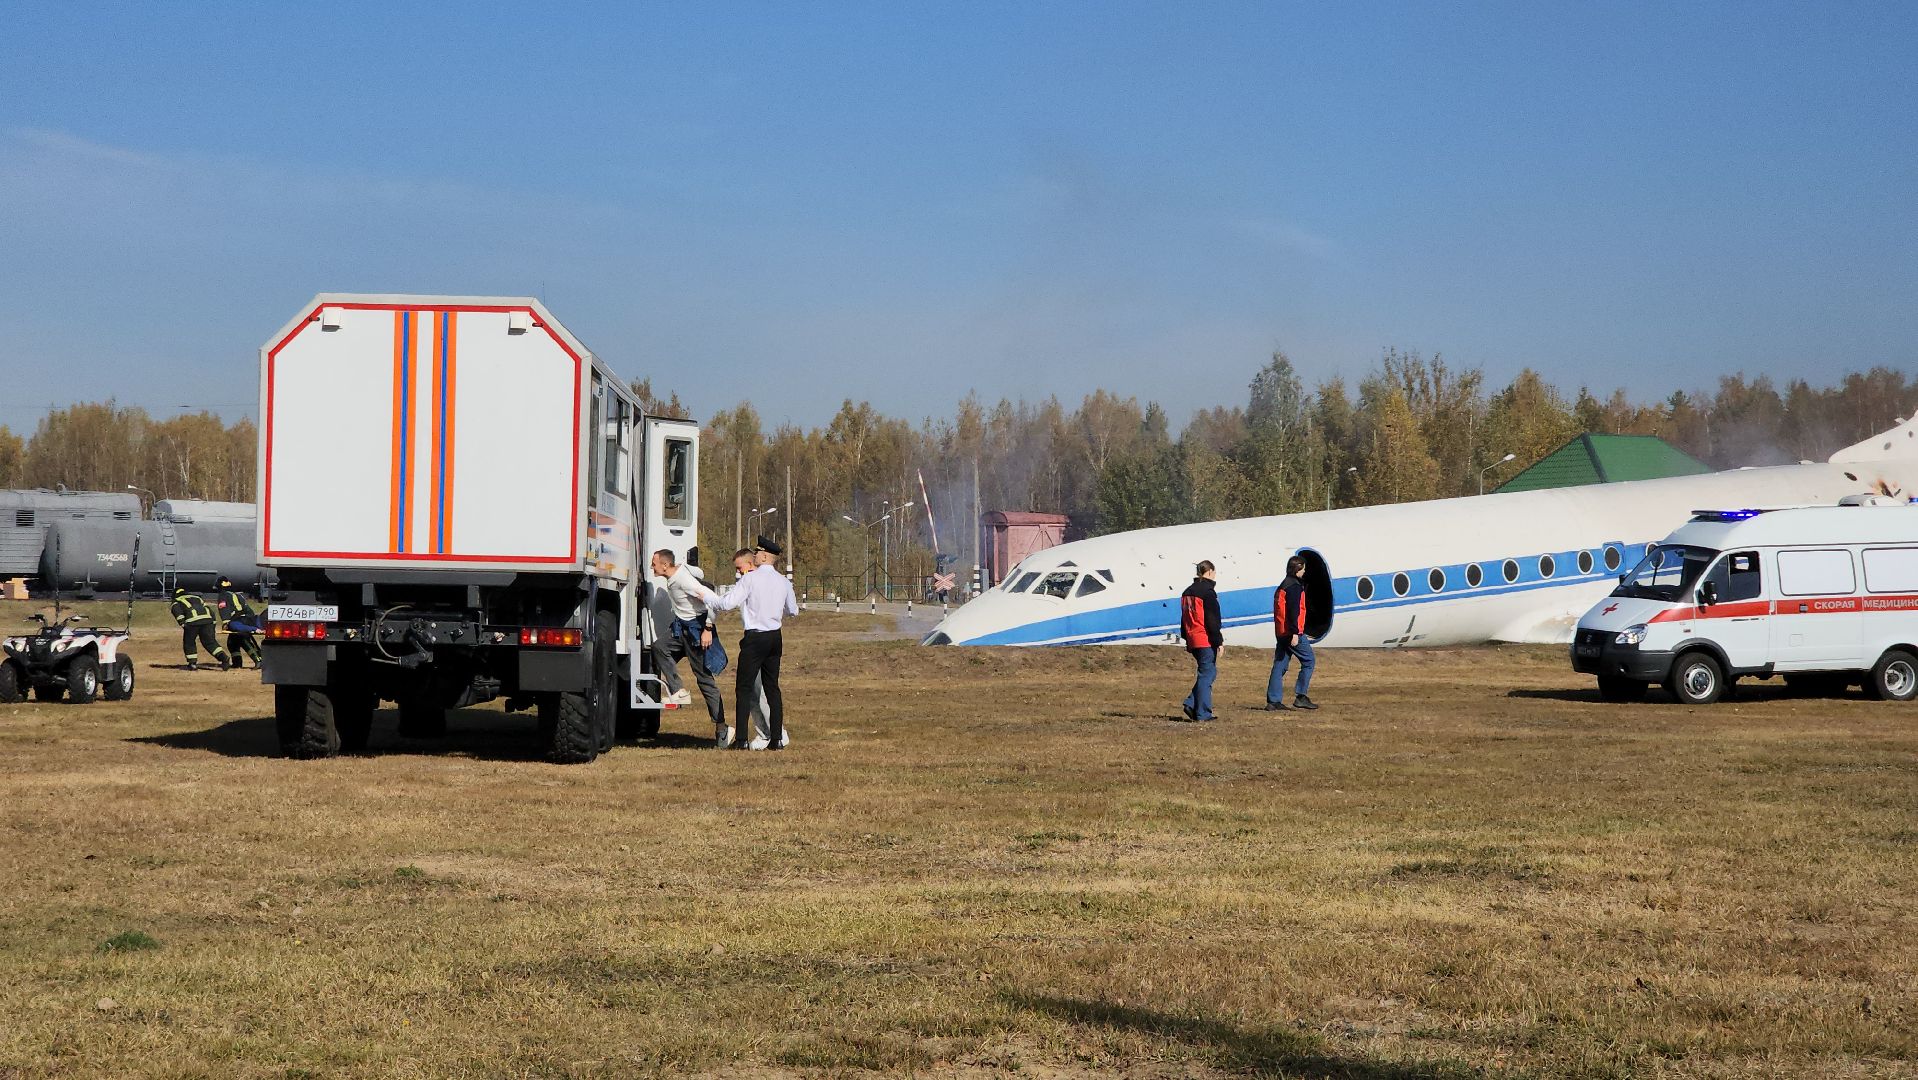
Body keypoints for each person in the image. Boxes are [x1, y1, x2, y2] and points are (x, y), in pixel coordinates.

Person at [696, 536, 798, 751]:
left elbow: (726, 603)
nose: (756, 556)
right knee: (772, 688)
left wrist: (705, 597)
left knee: (743, 688)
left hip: (755, 638)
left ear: (763, 556)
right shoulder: (783, 581)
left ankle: (741, 739)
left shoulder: (750, 580)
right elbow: (793, 610)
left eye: (757, 553)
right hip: (775, 637)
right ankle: (777, 739)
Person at [650, 548, 729, 746]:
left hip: (697, 630)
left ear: (665, 565)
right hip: (681, 628)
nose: (652, 567)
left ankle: (722, 728)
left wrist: (708, 629)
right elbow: (699, 573)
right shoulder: (680, 571)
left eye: (654, 563)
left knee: (704, 680)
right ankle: (678, 690)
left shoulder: (683, 580)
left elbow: (712, 600)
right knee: (660, 647)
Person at [1266, 556, 1318, 710]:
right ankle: (1301, 696)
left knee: (1280, 665)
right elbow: (1293, 611)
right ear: (1297, 569)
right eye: (1303, 569)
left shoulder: (1283, 585)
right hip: (1292, 632)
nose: (1304, 572)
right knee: (1309, 661)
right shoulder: (1294, 587)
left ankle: (1273, 701)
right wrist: (1295, 633)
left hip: (1281, 631)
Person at [1179, 560, 1223, 721]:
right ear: (1210, 571)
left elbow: (1183, 617)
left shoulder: (1187, 592)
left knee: (1207, 672)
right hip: (1204, 637)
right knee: (1207, 674)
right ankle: (1202, 712)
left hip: (1192, 637)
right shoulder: (1208, 592)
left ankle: (1191, 703)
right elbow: (1212, 619)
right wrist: (1218, 641)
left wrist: (1186, 636)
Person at [170, 585, 230, 671]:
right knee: (210, 642)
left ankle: (192, 663)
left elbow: (178, 613)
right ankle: (224, 658)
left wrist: (183, 624)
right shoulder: (197, 598)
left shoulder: (176, 601)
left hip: (192, 622)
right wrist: (213, 622)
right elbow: (209, 609)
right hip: (208, 621)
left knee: (189, 642)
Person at [215, 576, 263, 669]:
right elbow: (248, 610)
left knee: (243, 639)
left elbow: (224, 610)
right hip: (247, 619)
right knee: (232, 642)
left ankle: (258, 660)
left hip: (237, 621)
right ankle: (237, 663)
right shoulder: (238, 595)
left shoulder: (223, 596)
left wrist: (226, 623)